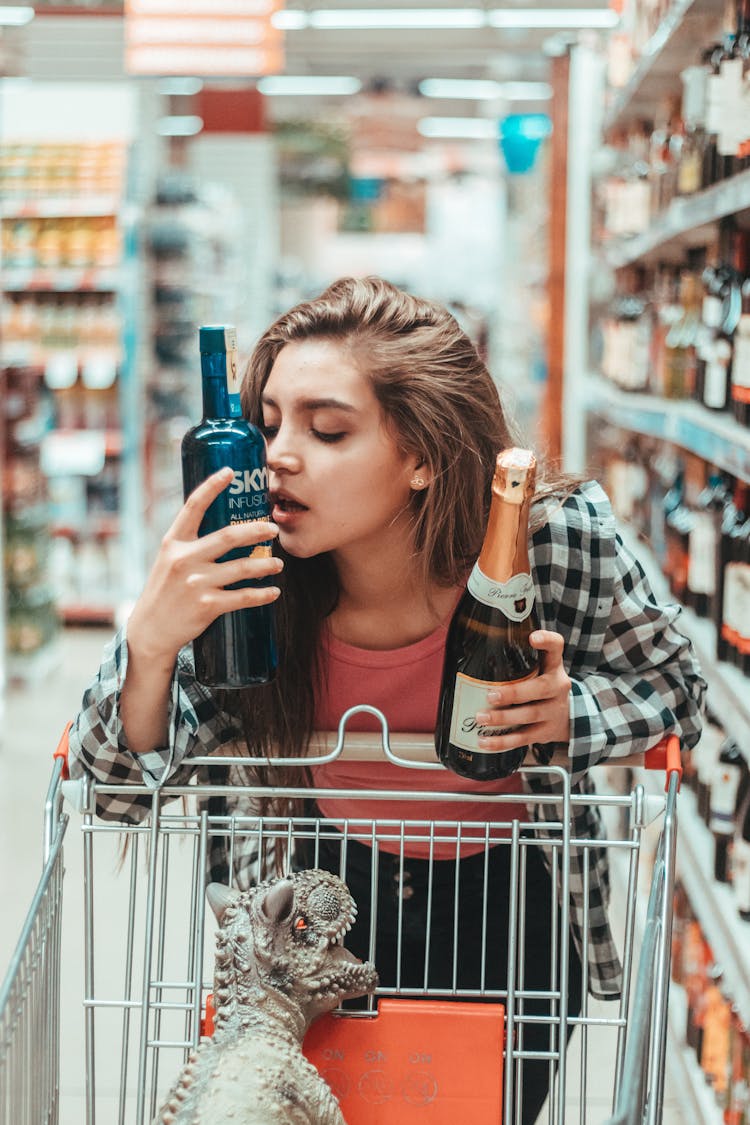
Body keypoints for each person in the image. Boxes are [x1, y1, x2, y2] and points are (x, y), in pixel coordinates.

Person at [69, 276, 705, 1123]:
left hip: (511, 906)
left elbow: (676, 692)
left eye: (327, 428)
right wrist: (150, 643)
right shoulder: (254, 572)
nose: (280, 454)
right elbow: (113, 783)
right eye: (269, 423)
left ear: (423, 456)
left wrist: (568, 716)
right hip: (317, 908)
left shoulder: (550, 545)